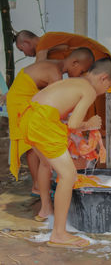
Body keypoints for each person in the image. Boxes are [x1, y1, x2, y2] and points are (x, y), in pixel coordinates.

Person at [18, 58, 111, 248]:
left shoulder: (74, 81)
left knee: (46, 164)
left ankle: (46, 210)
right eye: (109, 86)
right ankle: (59, 234)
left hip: (28, 117)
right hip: (42, 123)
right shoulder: (88, 90)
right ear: (104, 78)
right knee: (69, 175)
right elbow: (74, 125)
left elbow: (62, 113)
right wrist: (90, 124)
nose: (104, 91)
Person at [7, 48, 95, 197]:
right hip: (20, 100)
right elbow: (55, 108)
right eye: (82, 72)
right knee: (31, 145)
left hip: (28, 99)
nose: (80, 76)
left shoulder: (55, 66)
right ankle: (37, 186)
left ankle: (41, 184)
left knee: (36, 144)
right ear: (74, 63)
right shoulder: (55, 74)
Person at [15, 31, 111, 138]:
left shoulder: (44, 41)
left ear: (26, 42)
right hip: (94, 60)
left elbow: (39, 64)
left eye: (21, 49)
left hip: (96, 58)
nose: (25, 54)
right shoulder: (52, 56)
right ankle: (90, 134)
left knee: (91, 97)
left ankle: (97, 135)